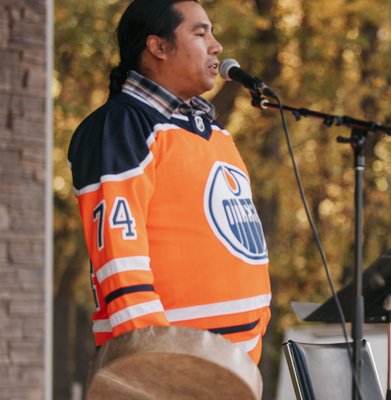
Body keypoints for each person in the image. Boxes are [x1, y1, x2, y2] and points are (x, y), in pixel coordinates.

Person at [67, 0, 271, 363]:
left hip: (232, 368)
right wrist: (156, 362)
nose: (216, 46)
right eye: (200, 32)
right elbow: (118, 258)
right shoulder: (121, 127)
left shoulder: (217, 134)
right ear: (158, 47)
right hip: (169, 369)